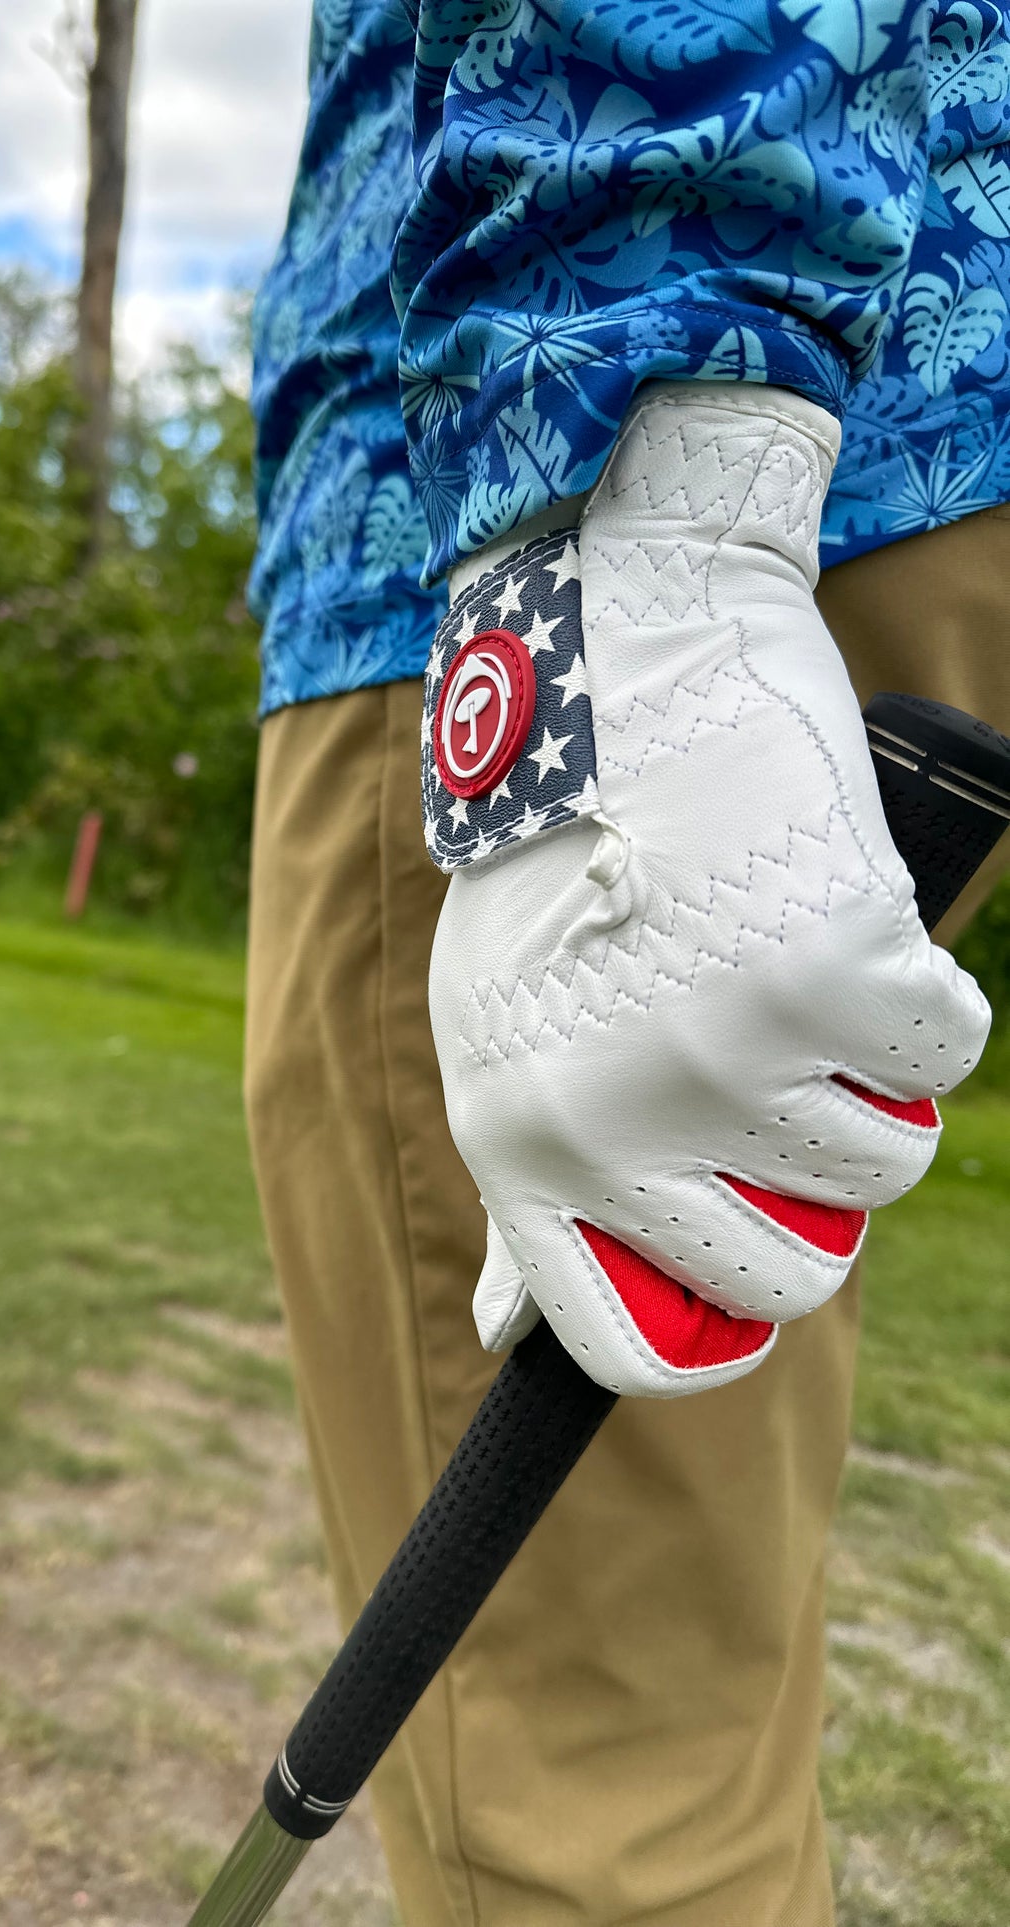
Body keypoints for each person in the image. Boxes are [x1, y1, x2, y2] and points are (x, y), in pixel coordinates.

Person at [243, 9, 1010, 1924]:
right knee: (690, 1656)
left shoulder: (637, 469)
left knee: (587, 1769)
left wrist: (646, 527)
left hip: (641, 448)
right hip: (886, 395)